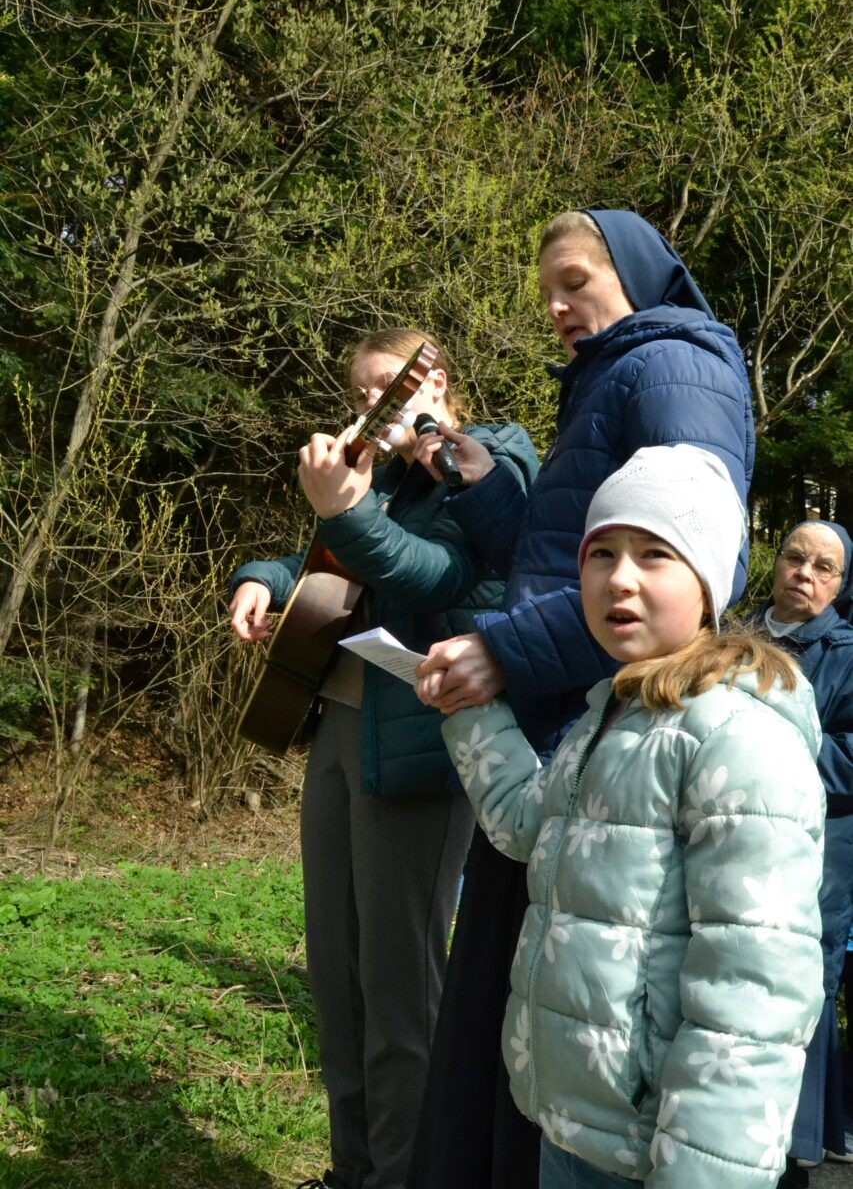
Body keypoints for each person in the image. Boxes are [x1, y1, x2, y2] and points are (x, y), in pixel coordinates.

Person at [407, 209, 755, 1189]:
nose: (557, 307)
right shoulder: (611, 375)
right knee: (520, 1028)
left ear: (634, 275)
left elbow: (689, 563)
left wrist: (505, 651)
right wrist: (477, 481)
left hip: (611, 747)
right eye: (547, 292)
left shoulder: (674, 368)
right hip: (564, 736)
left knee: (566, 1042)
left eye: (575, 281)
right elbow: (568, 557)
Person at [437, 445, 825, 1189]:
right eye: (601, 553)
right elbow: (527, 825)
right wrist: (470, 711)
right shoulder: (613, 712)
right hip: (575, 1124)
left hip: (659, 1153)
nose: (619, 577)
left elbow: (753, 990)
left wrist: (703, 1174)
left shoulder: (737, 740)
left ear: (708, 585)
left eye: (654, 554)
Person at [227, 328, 538, 1189]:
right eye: (361, 392)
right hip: (338, 726)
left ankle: (404, 1175)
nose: (369, 405)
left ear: (432, 381)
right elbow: (323, 566)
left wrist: (344, 510)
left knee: (399, 986)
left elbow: (434, 576)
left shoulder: (494, 457)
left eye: (385, 387)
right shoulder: (385, 478)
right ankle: (351, 1170)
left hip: (420, 744)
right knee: (338, 972)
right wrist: (260, 577)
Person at [753, 520, 853, 1186]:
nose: (804, 574)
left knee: (802, 978)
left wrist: (767, 745)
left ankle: (796, 1142)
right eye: (795, 557)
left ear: (840, 586)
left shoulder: (846, 653)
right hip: (733, 833)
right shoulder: (732, 636)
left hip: (820, 845)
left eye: (824, 568)